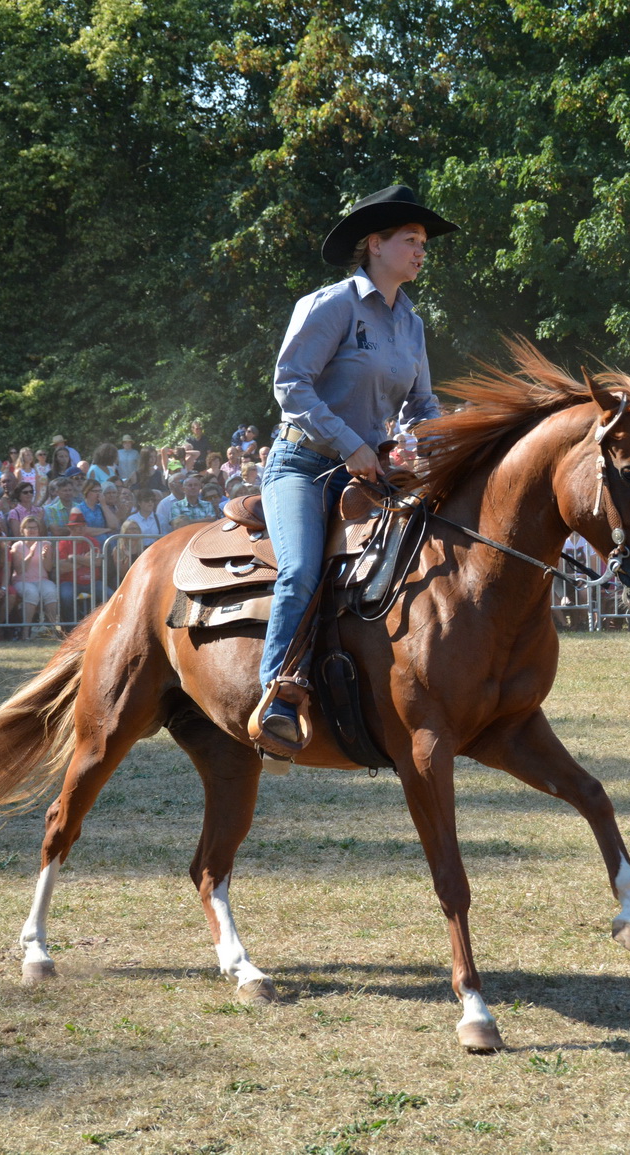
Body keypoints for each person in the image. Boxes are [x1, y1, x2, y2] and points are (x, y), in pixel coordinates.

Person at [257, 184, 455, 744]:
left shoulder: (412, 323)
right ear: (375, 243)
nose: (421, 250)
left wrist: (434, 442)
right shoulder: (331, 305)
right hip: (302, 465)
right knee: (301, 571)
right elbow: (290, 384)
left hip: (371, 475)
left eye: (423, 242)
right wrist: (350, 443)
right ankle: (277, 697)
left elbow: (421, 405)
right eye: (411, 239)